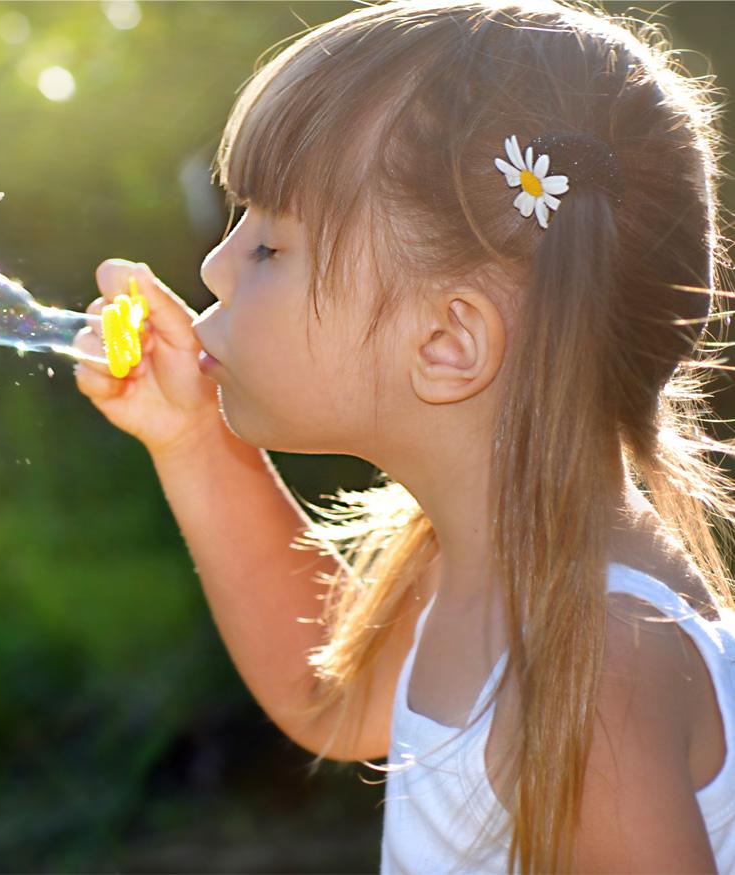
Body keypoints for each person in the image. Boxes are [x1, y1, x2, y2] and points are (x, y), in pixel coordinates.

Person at [72, 1, 735, 871]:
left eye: (270, 245)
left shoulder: (599, 673)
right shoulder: (488, 561)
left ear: (448, 343)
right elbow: (329, 698)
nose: (213, 267)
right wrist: (193, 436)